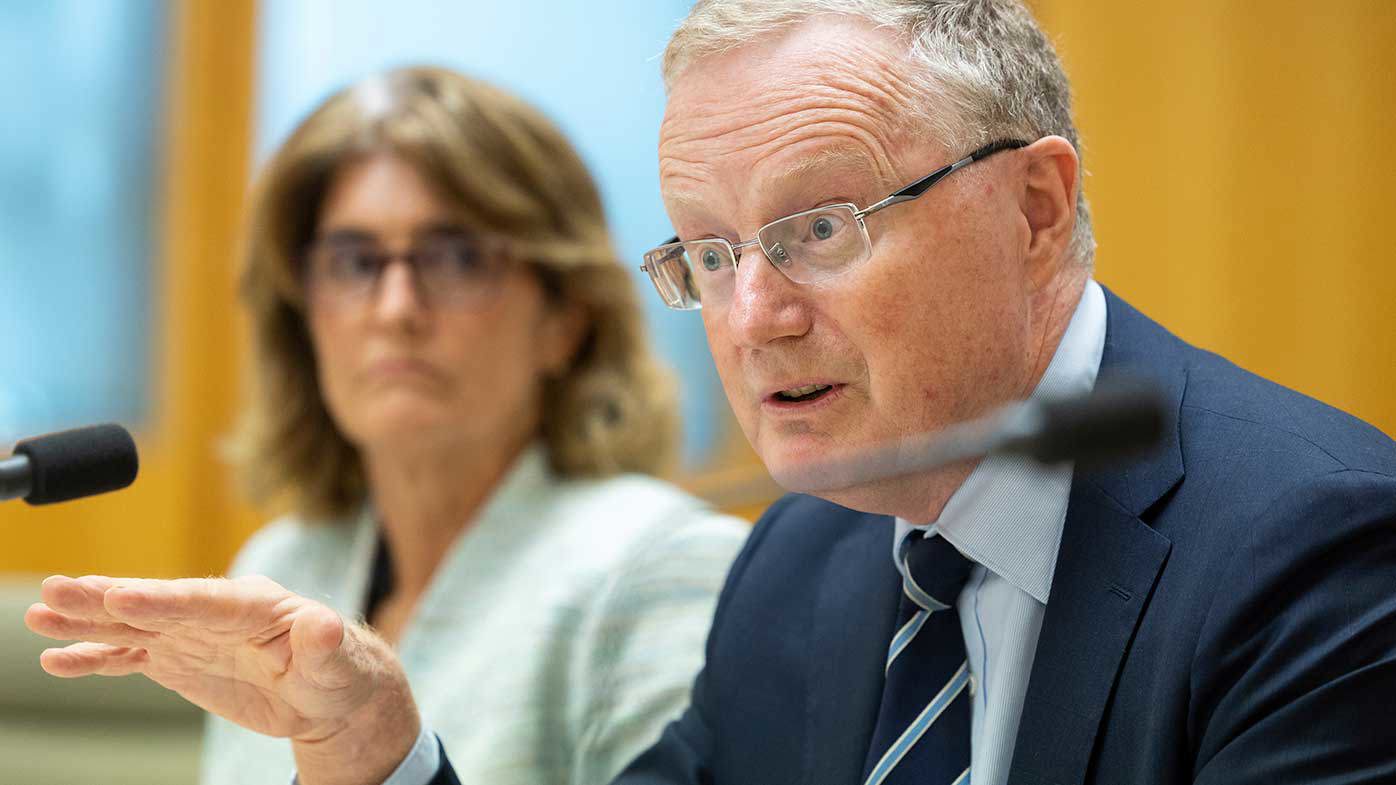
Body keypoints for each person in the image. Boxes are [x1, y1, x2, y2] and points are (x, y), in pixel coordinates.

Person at [25, 3, 1396, 785]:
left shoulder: (1313, 548)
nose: (754, 317)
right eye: (714, 252)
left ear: (1035, 208)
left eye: (818, 229)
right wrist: (377, 746)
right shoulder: (806, 560)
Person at [33, 65, 750, 785]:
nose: (396, 307)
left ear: (564, 316)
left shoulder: (665, 564)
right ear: (303, 318)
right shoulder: (282, 564)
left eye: (457, 257)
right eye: (353, 262)